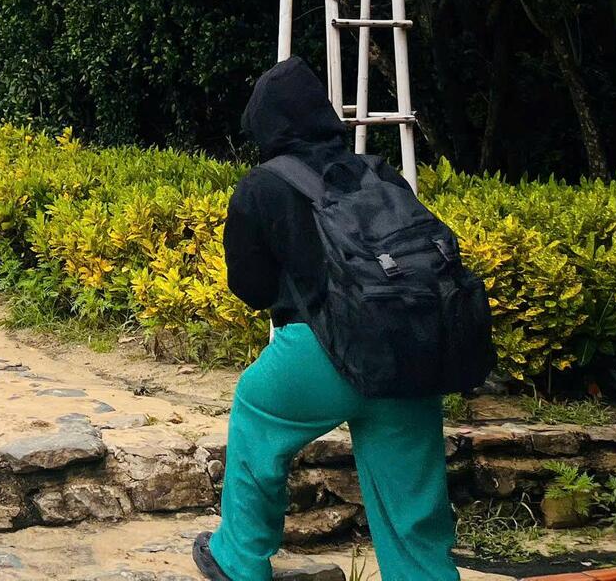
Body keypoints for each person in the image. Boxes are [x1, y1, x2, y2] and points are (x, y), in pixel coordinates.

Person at [195, 56, 456, 581]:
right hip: (409, 349)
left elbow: (251, 288)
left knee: (255, 410)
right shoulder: (379, 175)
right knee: (410, 498)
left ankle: (239, 559)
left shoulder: (262, 186)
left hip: (322, 347)